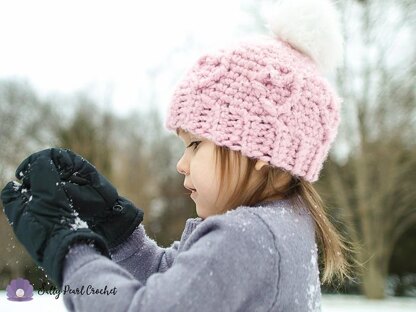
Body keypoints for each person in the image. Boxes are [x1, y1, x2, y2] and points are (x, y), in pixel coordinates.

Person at [1, 0, 354, 311]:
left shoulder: (250, 238)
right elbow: (175, 286)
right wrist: (120, 234)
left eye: (196, 144)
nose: (181, 164)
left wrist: (67, 249)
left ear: (260, 149)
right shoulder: (282, 225)